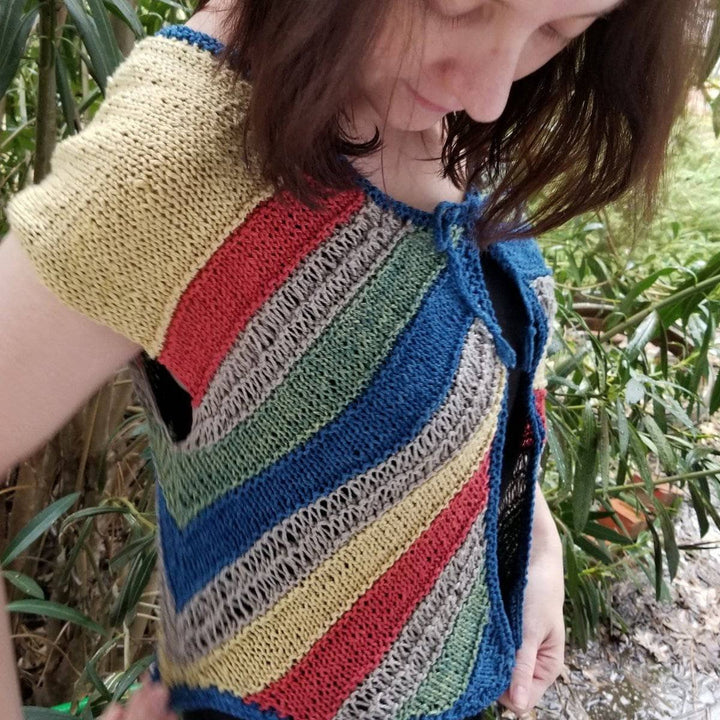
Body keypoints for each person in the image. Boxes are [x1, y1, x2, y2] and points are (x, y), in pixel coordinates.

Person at [0, 0, 706, 718]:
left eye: (559, 28)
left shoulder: (424, 95)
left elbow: (467, 373)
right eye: (459, 4)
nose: (491, 94)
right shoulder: (178, 153)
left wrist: (535, 543)